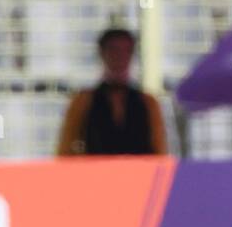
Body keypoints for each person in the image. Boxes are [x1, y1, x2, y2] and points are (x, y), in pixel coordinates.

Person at [56, 28, 168, 156]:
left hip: (140, 174)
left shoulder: (149, 103)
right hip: (95, 174)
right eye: (114, 50)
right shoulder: (82, 101)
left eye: (126, 51)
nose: (120, 57)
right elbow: (65, 150)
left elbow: (160, 151)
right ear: (102, 53)